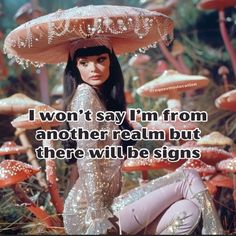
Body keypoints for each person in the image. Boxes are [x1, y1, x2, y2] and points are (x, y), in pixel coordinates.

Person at [61, 38, 224, 235]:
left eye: (101, 59)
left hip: (110, 205)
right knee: (188, 177)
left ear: (111, 61)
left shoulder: (103, 101)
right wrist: (97, 214)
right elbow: (88, 158)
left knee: (187, 210)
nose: (93, 68)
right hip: (89, 215)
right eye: (84, 63)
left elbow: (143, 145)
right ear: (75, 68)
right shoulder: (85, 94)